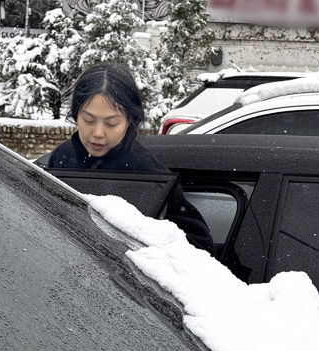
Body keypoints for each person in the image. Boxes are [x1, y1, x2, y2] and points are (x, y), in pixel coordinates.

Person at [37, 63, 213, 251]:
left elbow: (200, 245)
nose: (98, 132)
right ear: (75, 115)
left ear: (130, 120)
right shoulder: (61, 158)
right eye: (88, 120)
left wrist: (147, 242)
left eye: (111, 123)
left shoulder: (148, 173)